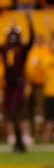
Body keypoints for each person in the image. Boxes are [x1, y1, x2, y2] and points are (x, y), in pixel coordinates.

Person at [1, 13, 34, 152]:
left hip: (19, 84)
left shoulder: (22, 49)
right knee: (10, 111)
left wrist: (29, 22)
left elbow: (31, 39)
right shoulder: (5, 49)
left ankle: (20, 138)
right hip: (8, 84)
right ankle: (17, 139)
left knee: (17, 111)